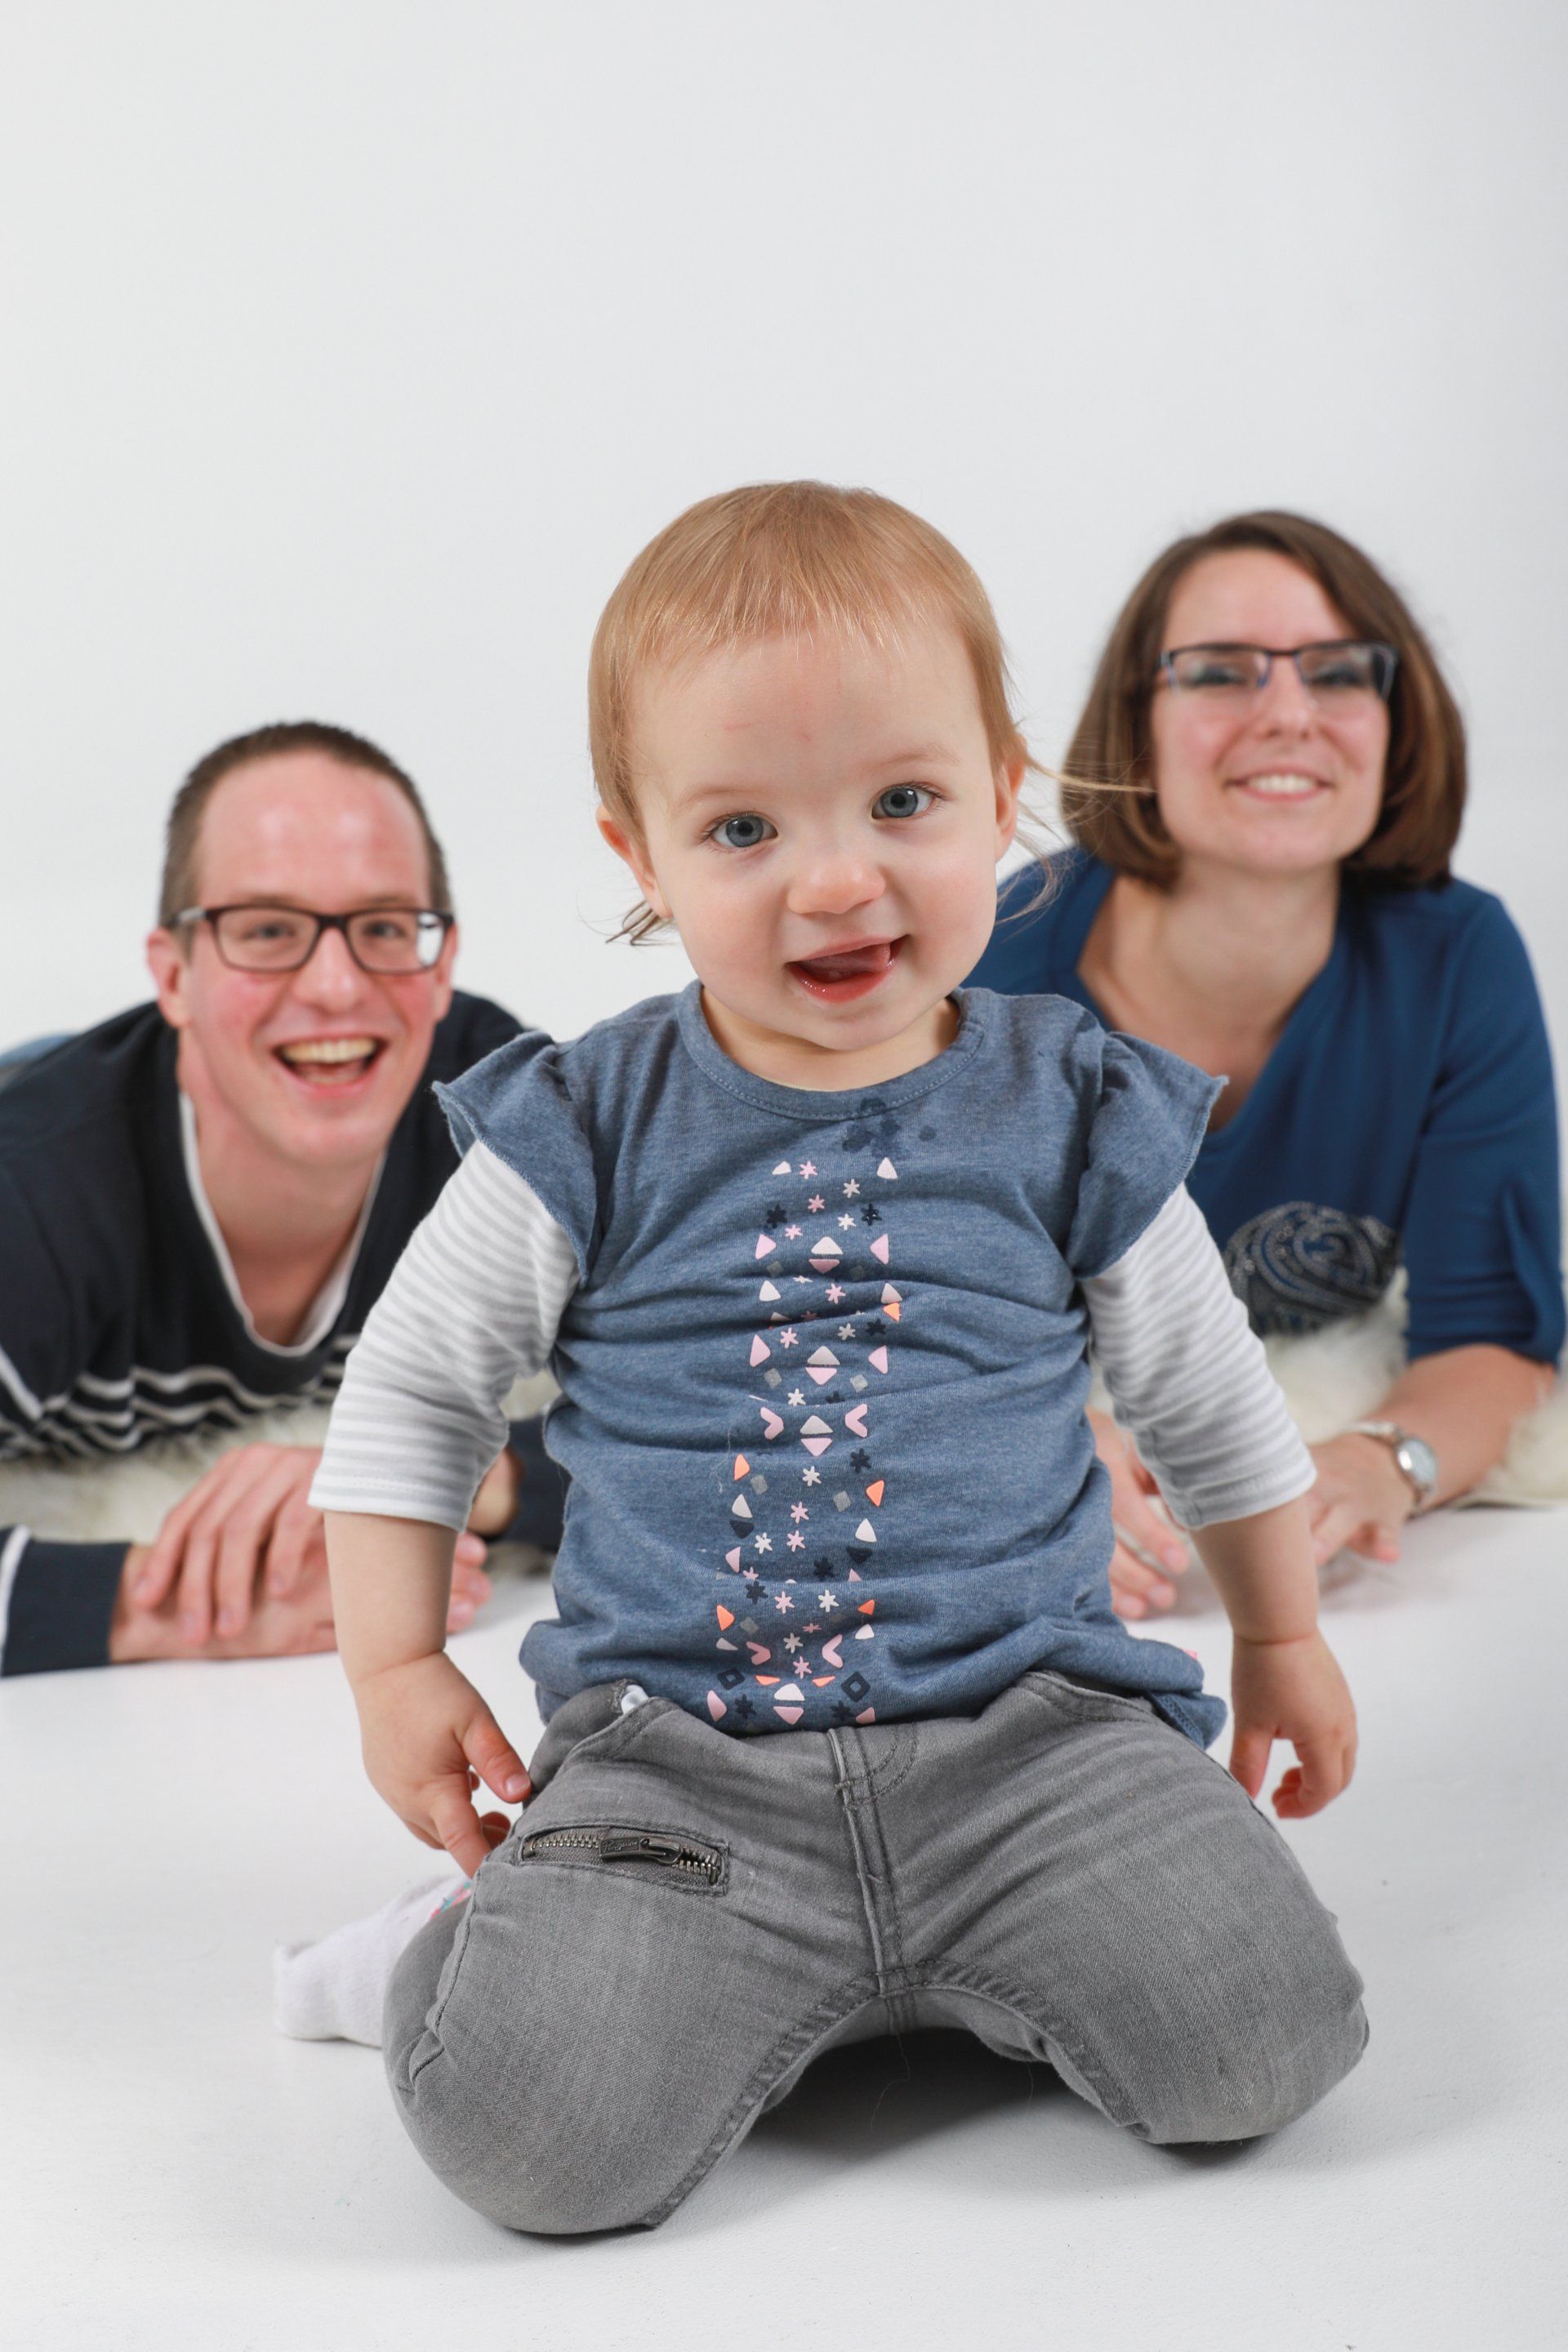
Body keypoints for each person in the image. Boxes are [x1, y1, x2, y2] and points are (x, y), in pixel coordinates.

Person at [305, 484, 1365, 2236]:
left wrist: (1279, 1637)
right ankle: (478, 1939)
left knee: (1261, 2042)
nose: (838, 879)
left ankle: (968, 1964)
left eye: (902, 801)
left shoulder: (1071, 1105)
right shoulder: (586, 1126)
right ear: (640, 857)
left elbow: (1206, 1395)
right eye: (742, 828)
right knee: (533, 2143)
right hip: (683, 1771)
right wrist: (392, 1668)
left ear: (1003, 796)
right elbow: (417, 1390)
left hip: (1039, 1746)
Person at [970, 512, 1563, 1619]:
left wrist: (1382, 1462)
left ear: (1395, 724)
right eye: (1220, 672)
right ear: (1137, 725)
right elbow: (899, 1306)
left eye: (1338, 673)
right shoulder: (992, 963)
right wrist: (1032, 1440)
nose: (1290, 713)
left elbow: (1491, 1333)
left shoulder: (1459, 960)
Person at [0, 721, 562, 1677]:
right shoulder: (36, 1208)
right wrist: (166, 1604)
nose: (337, 987)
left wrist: (442, 1475)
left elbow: (743, 1407)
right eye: (266, 931)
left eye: (384, 928)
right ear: (173, 975)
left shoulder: (502, 1117)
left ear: (440, 968)